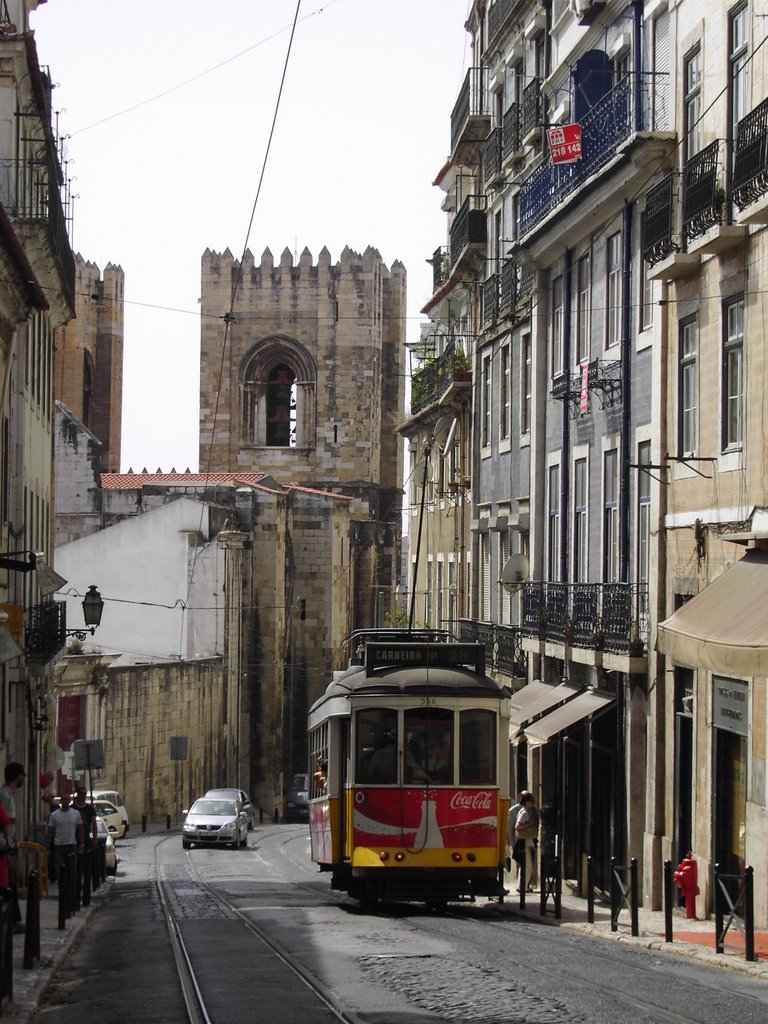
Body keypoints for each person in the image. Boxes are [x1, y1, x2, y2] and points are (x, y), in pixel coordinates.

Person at [0, 761, 25, 931]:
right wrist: (10, 849)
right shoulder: (4, 796)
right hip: (4, 847)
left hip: (8, 846)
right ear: (18, 777)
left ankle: (14, 920)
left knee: (11, 883)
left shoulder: (9, 794)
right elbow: (5, 825)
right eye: (22, 775)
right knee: (9, 884)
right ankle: (12, 921)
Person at [47, 793, 84, 885]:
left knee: (72, 869)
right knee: (59, 869)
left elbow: (80, 829)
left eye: (67, 799)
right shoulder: (54, 815)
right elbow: (50, 832)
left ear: (70, 801)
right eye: (63, 799)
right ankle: (62, 886)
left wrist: (82, 844)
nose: (65, 801)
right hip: (58, 845)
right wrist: (48, 848)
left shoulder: (76, 813)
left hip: (72, 844)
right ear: (60, 801)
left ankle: (71, 887)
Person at [515, 792, 539, 893]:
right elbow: (518, 826)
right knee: (528, 866)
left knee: (524, 865)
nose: (533, 803)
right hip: (525, 842)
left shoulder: (525, 811)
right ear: (527, 802)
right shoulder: (524, 812)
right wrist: (529, 824)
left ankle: (521, 886)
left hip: (525, 842)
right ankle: (523, 888)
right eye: (532, 801)